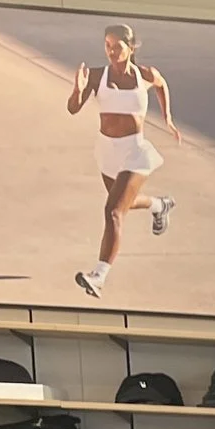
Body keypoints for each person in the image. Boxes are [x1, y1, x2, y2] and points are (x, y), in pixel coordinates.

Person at [64, 23, 179, 300]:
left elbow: (162, 85)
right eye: (107, 45)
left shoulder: (145, 75)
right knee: (122, 205)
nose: (112, 51)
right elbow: (72, 109)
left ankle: (99, 276)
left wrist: (168, 118)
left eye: (117, 46)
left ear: (131, 48)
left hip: (135, 152)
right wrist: (78, 90)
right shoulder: (95, 75)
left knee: (113, 211)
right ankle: (159, 204)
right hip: (107, 152)